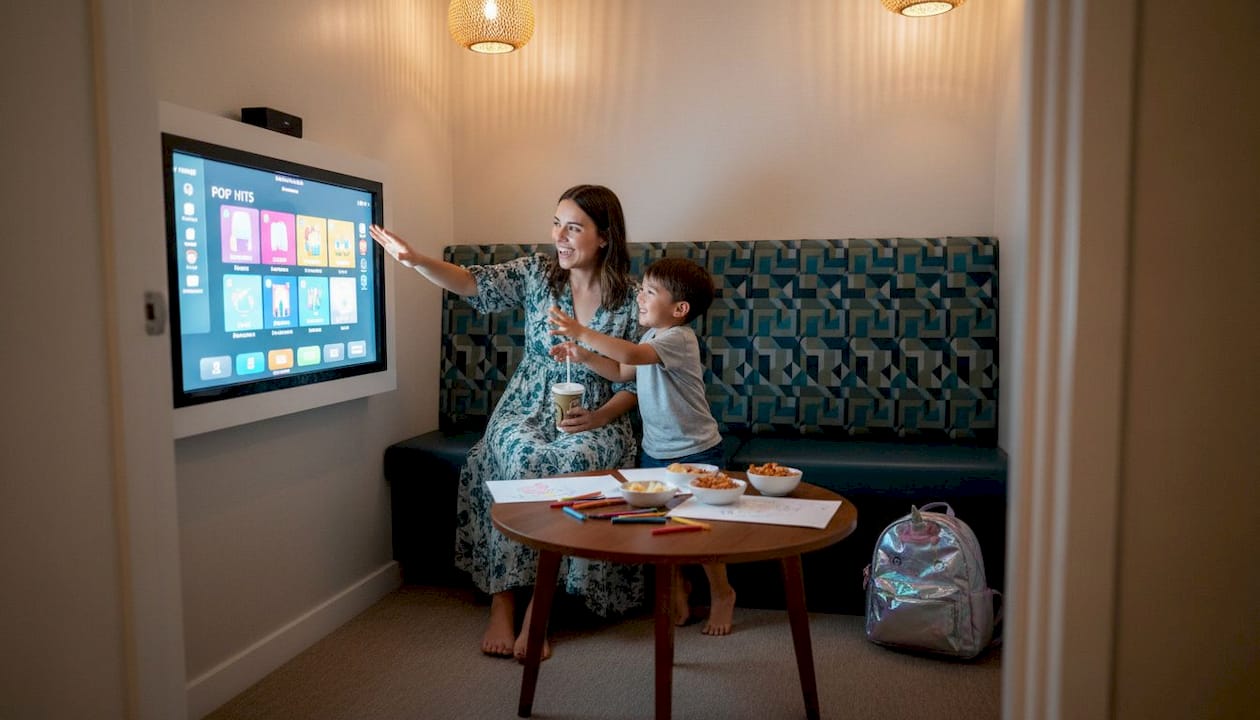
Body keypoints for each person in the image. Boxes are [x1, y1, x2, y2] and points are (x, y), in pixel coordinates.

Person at [370, 185, 645, 661]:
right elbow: (470, 281)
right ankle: (503, 600)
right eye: (556, 223)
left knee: (575, 459)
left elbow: (637, 382)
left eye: (574, 227)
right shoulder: (537, 273)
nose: (560, 236)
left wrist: (598, 417)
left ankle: (541, 605)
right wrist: (416, 260)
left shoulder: (632, 298)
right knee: (520, 453)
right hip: (525, 405)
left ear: (604, 237)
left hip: (596, 411)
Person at [548, 257, 737, 636]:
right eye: (641, 289)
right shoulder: (651, 337)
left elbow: (631, 357)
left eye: (649, 291)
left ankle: (722, 592)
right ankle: (679, 587)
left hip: (695, 451)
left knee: (701, 527)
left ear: (679, 309)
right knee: (667, 524)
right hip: (657, 452)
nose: (639, 295)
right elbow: (622, 372)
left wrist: (582, 331)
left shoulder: (679, 339)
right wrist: (584, 356)